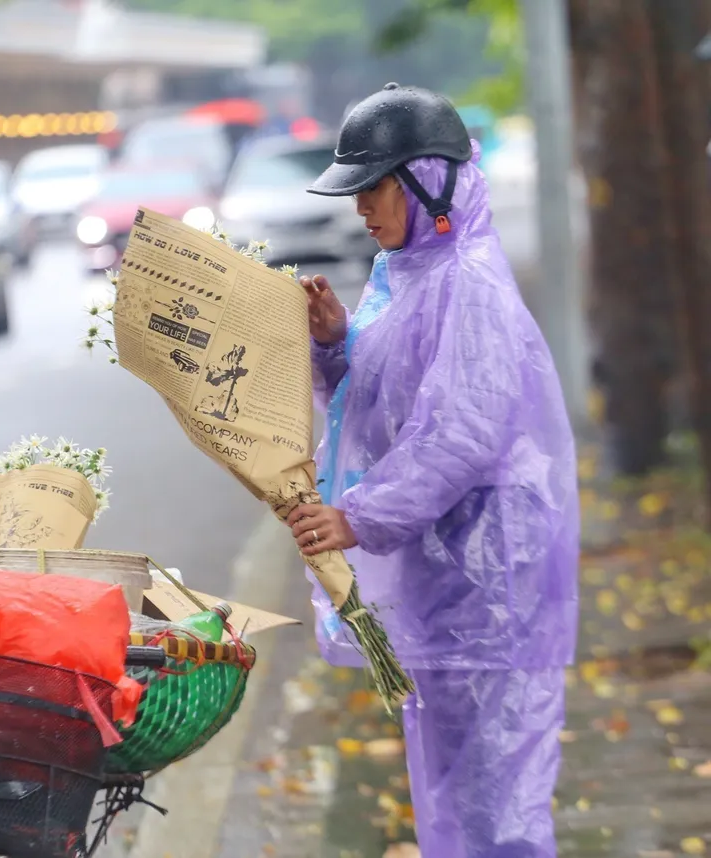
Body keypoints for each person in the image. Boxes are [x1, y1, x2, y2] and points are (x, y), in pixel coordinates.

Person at [285, 83, 579, 858]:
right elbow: (386, 402)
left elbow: (461, 431)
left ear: (427, 180)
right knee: (454, 794)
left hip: (491, 577)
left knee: (496, 798)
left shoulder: (467, 282)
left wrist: (359, 516)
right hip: (445, 577)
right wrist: (335, 340)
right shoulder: (410, 273)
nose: (360, 209)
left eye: (373, 187)